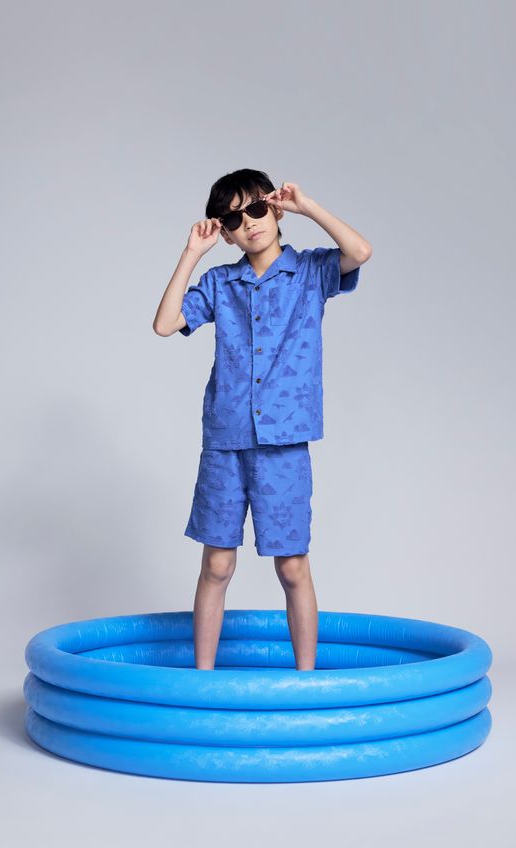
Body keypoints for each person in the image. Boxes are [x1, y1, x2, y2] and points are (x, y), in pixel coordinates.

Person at [153, 169, 372, 671]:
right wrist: (192, 253)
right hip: (226, 441)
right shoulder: (219, 282)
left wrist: (308, 206)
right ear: (225, 230)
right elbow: (166, 325)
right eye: (234, 217)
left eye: (255, 208)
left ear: (274, 210)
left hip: (284, 443)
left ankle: (306, 681)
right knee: (217, 563)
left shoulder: (311, 272)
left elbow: (359, 252)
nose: (248, 223)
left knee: (293, 566)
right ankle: (202, 682)